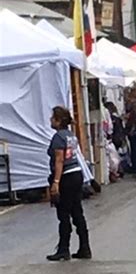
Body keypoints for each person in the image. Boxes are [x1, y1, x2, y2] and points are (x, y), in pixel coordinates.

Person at [46, 106, 91, 261]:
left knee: (63, 213)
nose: (50, 120)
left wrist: (56, 182)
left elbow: (59, 160)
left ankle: (63, 248)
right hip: (76, 173)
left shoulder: (58, 137)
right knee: (77, 210)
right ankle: (85, 246)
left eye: (53, 117)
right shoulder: (71, 135)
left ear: (58, 121)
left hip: (65, 176)